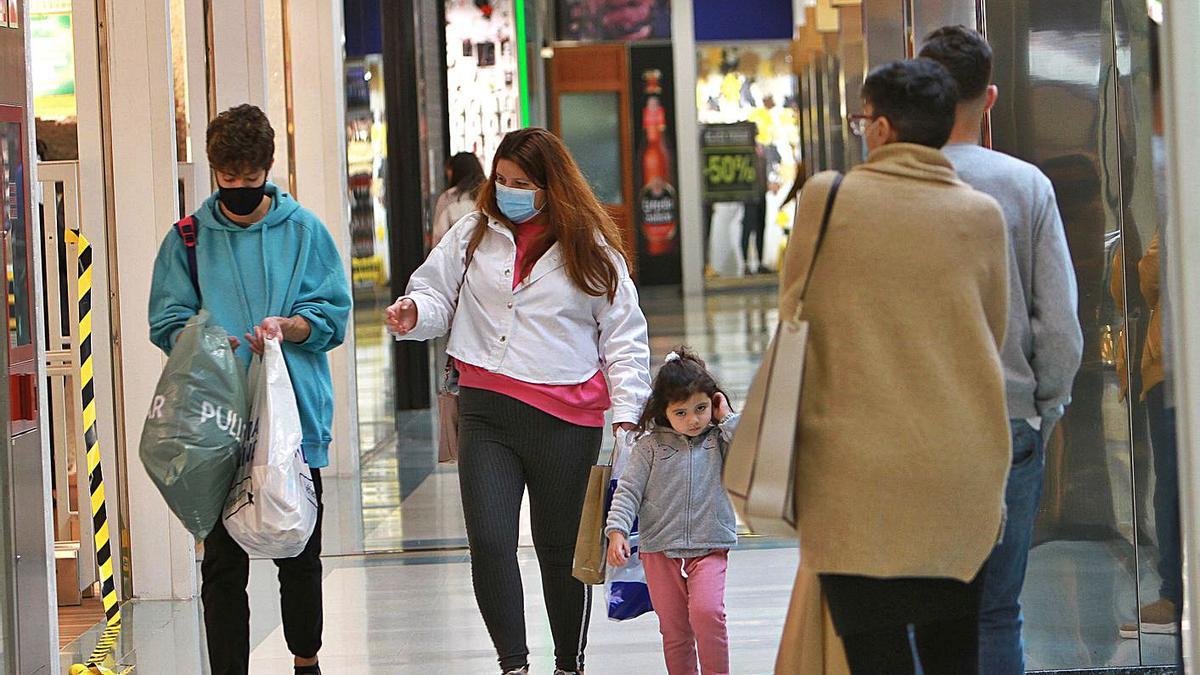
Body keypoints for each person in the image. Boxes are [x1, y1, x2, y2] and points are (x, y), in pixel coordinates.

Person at [386, 127, 652, 675]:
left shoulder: (592, 249)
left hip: (565, 421)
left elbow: (624, 339)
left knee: (561, 554)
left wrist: (627, 416)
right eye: (501, 180)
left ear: (552, 187)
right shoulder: (473, 233)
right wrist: (415, 311)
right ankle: (514, 666)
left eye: (522, 183)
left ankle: (568, 663)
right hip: (485, 412)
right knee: (488, 541)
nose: (507, 192)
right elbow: (437, 291)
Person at [777, 59, 1010, 675]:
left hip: (852, 481)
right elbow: (995, 331)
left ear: (879, 129)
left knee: (875, 656)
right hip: (960, 475)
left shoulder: (827, 200)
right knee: (954, 654)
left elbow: (792, 313)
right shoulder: (982, 215)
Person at [148, 104, 351, 675]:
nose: (238, 189)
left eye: (249, 179)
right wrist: (215, 343)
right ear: (213, 172)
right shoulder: (188, 239)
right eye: (227, 179)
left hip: (294, 418)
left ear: (268, 169)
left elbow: (331, 312)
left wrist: (290, 328)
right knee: (222, 562)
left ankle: (305, 656)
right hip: (217, 422)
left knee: (299, 548)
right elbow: (166, 320)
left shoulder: (304, 231)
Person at [919, 26, 1084, 674]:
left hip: (919, 429)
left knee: (929, 607)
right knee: (996, 610)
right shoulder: (1027, 186)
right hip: (1009, 422)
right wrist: (1044, 403)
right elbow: (1060, 325)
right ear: (988, 98)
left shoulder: (892, 189)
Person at [605, 348, 739, 675]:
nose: (693, 420)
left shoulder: (719, 440)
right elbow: (629, 490)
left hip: (710, 544)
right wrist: (617, 531)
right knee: (674, 629)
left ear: (714, 403)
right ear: (664, 411)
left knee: (708, 614)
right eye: (681, 412)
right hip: (658, 550)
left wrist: (727, 418)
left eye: (701, 408)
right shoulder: (649, 446)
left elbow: (750, 454)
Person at [432, 151, 486, 248]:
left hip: (457, 258)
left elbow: (439, 237)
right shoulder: (488, 194)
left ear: (455, 171)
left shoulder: (448, 198)